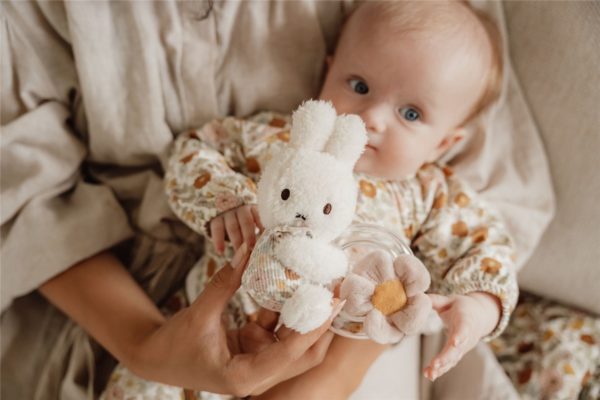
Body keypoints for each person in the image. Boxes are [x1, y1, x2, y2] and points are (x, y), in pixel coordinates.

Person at [102, 1, 518, 399]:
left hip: (312, 363)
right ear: (328, 70)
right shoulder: (284, 142)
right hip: (202, 328)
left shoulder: (430, 194)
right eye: (359, 86)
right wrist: (227, 199)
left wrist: (480, 307)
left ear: (444, 143)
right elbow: (193, 150)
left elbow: (486, 248)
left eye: (410, 114)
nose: (372, 117)